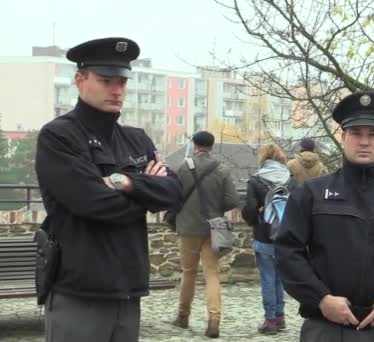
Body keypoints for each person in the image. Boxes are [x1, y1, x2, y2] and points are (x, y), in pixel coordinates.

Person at [35, 37, 182, 342]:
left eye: (121, 82)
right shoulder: (59, 136)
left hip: (128, 289)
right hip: (79, 290)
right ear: (80, 79)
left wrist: (125, 182)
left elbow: (173, 191)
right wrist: (146, 193)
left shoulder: (136, 139)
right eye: (105, 81)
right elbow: (94, 204)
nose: (116, 90)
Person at [275, 90, 374, 342]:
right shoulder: (311, 194)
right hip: (326, 327)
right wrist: (320, 298)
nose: (364, 141)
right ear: (343, 136)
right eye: (356, 133)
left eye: (373, 134)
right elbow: (287, 252)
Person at [172, 131, 239, 338]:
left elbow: (173, 197)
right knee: (212, 273)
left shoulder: (182, 168)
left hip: (188, 228)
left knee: (189, 272)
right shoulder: (222, 170)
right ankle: (213, 320)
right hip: (214, 229)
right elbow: (232, 201)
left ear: (195, 145)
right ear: (212, 146)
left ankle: (183, 316)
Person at [242, 143, 295, 335]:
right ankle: (280, 317)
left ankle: (270, 320)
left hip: (264, 235)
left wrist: (256, 221)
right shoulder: (291, 180)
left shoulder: (256, 180)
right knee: (280, 279)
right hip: (286, 237)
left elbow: (248, 208)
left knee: (267, 278)